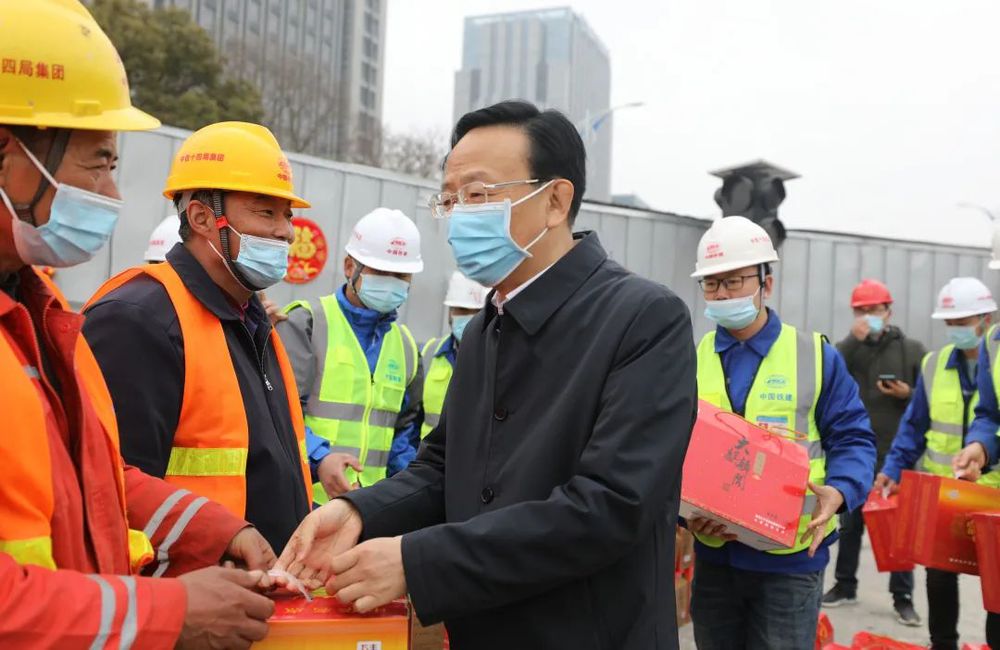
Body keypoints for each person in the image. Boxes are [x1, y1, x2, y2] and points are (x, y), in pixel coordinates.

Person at [276, 100, 697, 649]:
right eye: (449, 199)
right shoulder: (484, 329)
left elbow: (609, 507)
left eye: (476, 195)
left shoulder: (642, 319)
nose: (458, 216)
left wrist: (417, 562)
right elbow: (443, 466)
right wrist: (358, 510)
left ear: (555, 200)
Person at [0, 1, 278, 647]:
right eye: (98, 163)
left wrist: (217, 530)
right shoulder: (131, 316)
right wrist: (168, 612)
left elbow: (94, 480)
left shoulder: (40, 313)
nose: (113, 194)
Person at [82, 121, 313, 554]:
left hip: (257, 585)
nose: (286, 231)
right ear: (202, 218)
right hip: (188, 589)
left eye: (287, 215)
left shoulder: (252, 321)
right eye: (266, 212)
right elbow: (111, 494)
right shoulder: (140, 319)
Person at [685, 216, 877, 650]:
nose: (722, 294)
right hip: (715, 556)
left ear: (765, 284)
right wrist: (683, 516)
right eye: (711, 284)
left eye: (733, 281)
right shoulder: (693, 357)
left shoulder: (815, 356)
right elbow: (673, 447)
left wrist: (841, 490)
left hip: (790, 561)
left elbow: (853, 438)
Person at [879, 277, 998, 650]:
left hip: (992, 497)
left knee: (996, 584)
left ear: (986, 318)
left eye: (962, 322)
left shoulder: (995, 359)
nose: (955, 330)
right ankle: (942, 643)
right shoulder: (933, 365)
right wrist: (892, 469)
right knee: (939, 574)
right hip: (945, 494)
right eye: (950, 323)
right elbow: (913, 428)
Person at [277, 208, 423, 502]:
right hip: (307, 500)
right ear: (349, 267)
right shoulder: (307, 323)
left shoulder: (407, 346)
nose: (391, 282)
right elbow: (280, 411)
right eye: (380, 271)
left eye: (400, 275)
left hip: (371, 507)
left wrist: (406, 489)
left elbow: (404, 431)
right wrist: (319, 458)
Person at [823, 278, 924, 624]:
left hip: (897, 454)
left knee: (899, 530)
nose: (869, 316)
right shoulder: (849, 349)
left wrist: (908, 394)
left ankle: (902, 597)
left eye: (875, 310)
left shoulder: (911, 350)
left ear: (888, 311)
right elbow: (829, 372)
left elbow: (926, 401)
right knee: (850, 524)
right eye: (862, 310)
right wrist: (854, 339)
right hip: (856, 453)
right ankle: (844, 585)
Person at [419, 271, 489, 439]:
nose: (470, 319)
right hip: (428, 454)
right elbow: (412, 417)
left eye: (478, 312)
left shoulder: (501, 357)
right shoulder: (430, 352)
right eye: (462, 310)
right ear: (450, 312)